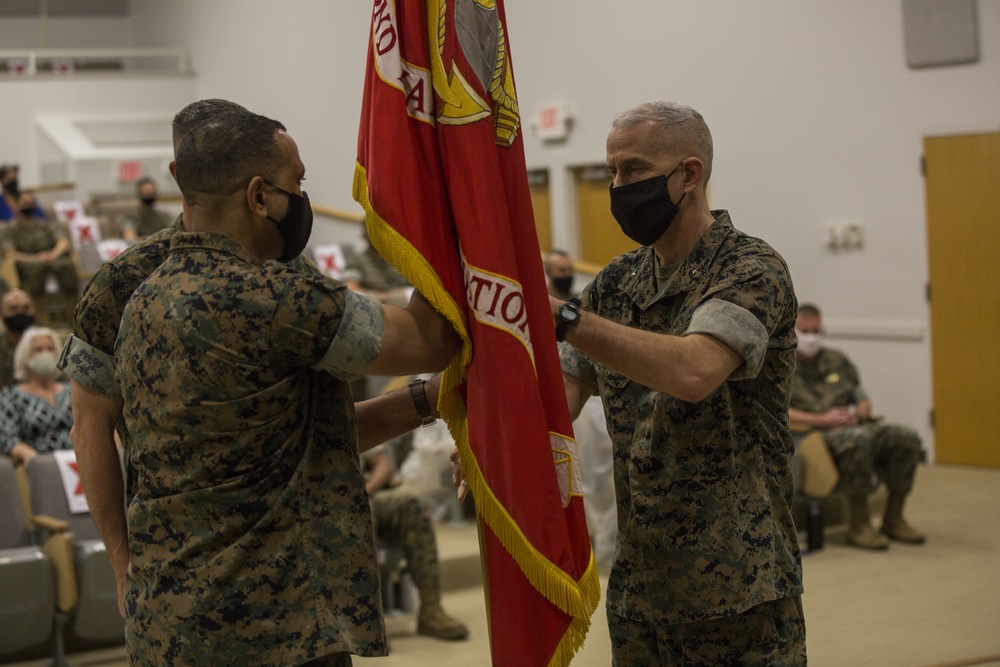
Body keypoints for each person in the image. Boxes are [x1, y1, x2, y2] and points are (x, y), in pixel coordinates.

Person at [110, 104, 458, 666]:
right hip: (273, 630)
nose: (300, 198)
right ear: (258, 196)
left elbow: (294, 442)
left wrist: (427, 400)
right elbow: (430, 340)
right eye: (296, 182)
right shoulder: (272, 299)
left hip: (170, 627)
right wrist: (442, 209)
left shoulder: (143, 298)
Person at [547, 101, 805, 664]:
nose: (619, 186)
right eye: (612, 171)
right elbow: (558, 400)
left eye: (634, 170)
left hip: (739, 590)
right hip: (642, 587)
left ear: (690, 174)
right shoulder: (615, 284)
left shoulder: (750, 268)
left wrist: (567, 320)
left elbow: (694, 371)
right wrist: (491, 443)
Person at [789, 303, 925, 550]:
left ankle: (894, 518)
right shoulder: (782, 364)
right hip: (812, 432)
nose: (811, 337)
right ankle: (859, 524)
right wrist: (822, 420)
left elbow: (862, 399)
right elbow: (779, 411)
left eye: (816, 330)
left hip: (851, 424)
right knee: (857, 439)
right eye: (805, 331)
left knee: (906, 437)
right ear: (792, 330)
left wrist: (858, 414)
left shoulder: (837, 360)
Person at [361, 443, 469, 641]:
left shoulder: (344, 417)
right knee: (360, 512)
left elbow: (383, 463)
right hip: (329, 504)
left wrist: (367, 489)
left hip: (364, 495)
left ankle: (430, 611)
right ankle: (367, 620)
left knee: (412, 504)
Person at [0, 326, 72, 466]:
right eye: (38, 350)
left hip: (79, 462)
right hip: (41, 466)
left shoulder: (72, 391)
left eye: (50, 349)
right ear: (25, 355)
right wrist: (27, 454)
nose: (45, 354)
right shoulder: (12, 396)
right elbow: (7, 437)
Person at [1, 189, 78, 302]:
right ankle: (35, 309)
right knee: (35, 270)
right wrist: (37, 258)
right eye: (25, 202)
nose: (29, 205)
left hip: (50, 258)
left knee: (67, 265)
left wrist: (52, 255)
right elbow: (10, 253)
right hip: (28, 261)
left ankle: (72, 308)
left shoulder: (43, 224)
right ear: (16, 204)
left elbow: (63, 242)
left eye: (31, 202)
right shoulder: (10, 228)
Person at [0, 288, 37, 388]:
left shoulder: (45, 343)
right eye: (13, 309)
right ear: (1, 313)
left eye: (26, 308)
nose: (20, 312)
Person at [121, 176, 173, 242]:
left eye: (151, 192)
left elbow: (173, 234)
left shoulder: (164, 216)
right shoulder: (131, 216)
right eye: (145, 192)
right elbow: (129, 238)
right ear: (138, 194)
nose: (148, 195)